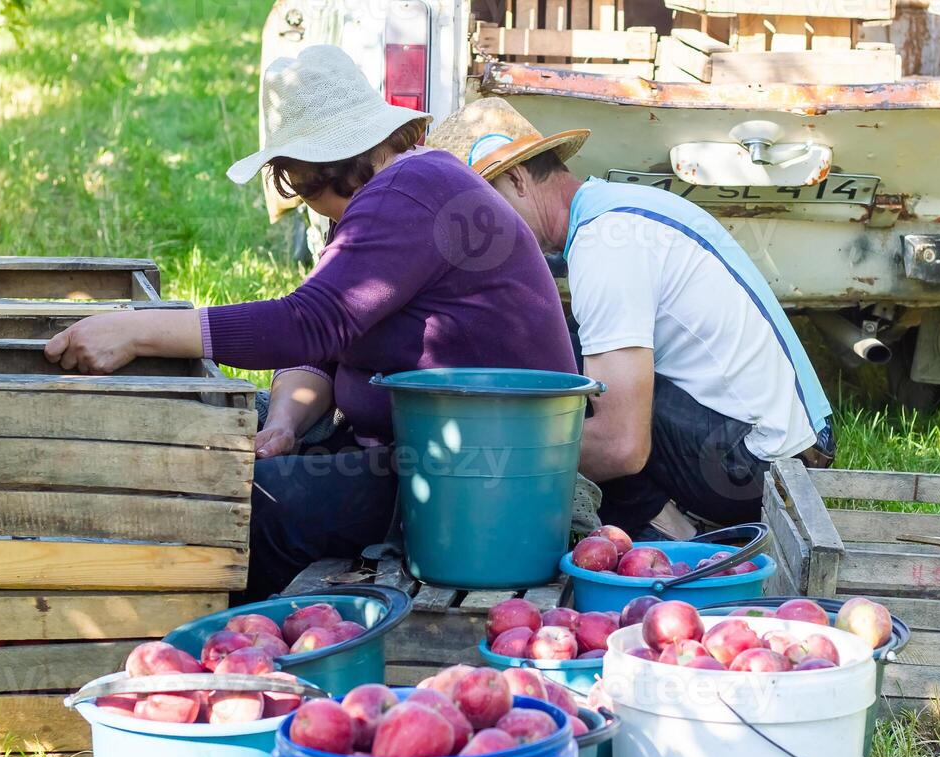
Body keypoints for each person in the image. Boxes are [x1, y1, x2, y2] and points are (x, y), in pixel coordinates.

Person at [44, 49, 576, 596]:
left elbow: (308, 322)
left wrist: (136, 330)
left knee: (246, 508)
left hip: (467, 480)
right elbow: (323, 348)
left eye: (295, 182)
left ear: (315, 169)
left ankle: (232, 644)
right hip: (435, 461)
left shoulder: (407, 193)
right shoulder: (399, 191)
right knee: (220, 451)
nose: (300, 196)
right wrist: (285, 425)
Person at [428, 99, 836, 539]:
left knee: (551, 369)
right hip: (785, 451)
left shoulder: (605, 243)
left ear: (516, 179)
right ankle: (662, 515)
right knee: (561, 349)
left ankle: (668, 528)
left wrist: (494, 459)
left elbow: (622, 447)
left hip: (759, 469)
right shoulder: (616, 210)